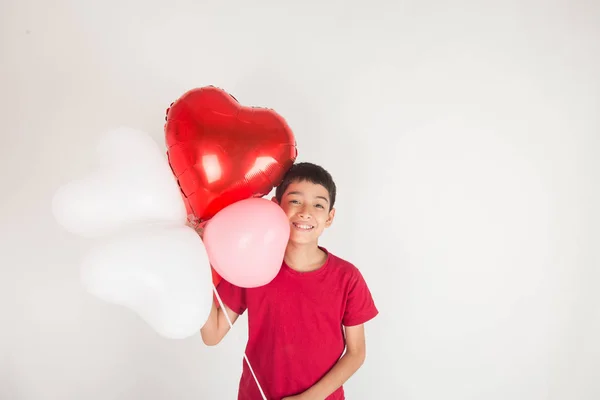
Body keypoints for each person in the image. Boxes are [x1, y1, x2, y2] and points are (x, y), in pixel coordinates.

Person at [200, 162, 378, 400]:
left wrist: (309, 399)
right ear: (276, 206)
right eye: (295, 200)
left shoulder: (347, 277)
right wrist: (198, 263)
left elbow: (356, 353)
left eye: (318, 205)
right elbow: (212, 335)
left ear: (329, 217)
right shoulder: (253, 264)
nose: (306, 211)